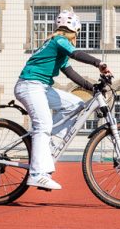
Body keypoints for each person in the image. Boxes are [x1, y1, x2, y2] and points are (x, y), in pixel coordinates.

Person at [14, 10, 111, 191]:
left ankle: (48, 144)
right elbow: (75, 54)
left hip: (41, 87)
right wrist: (98, 63)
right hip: (29, 85)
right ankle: (36, 174)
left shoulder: (59, 46)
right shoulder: (59, 41)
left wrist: (92, 88)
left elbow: (70, 72)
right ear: (74, 31)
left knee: (75, 105)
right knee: (42, 125)